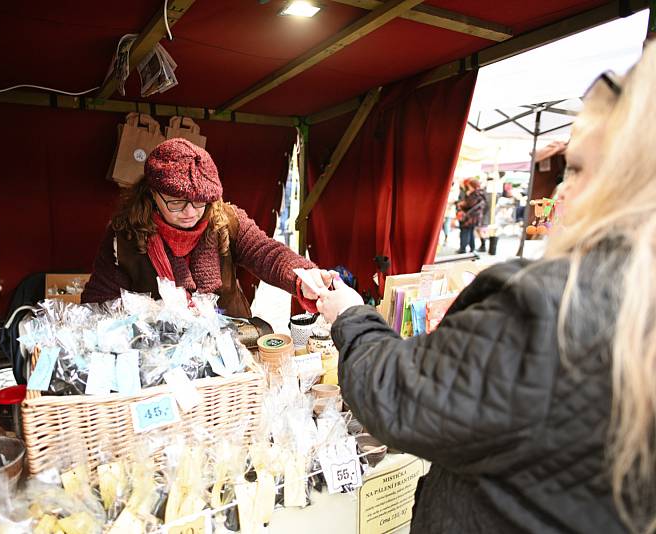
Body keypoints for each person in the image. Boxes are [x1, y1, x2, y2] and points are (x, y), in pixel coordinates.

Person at [315, 47, 656, 534]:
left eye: (577, 170)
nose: (559, 191)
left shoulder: (549, 307)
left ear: (630, 180)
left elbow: (398, 394)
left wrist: (350, 315)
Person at [82, 138, 333, 317]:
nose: (190, 212)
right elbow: (99, 303)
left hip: (230, 343)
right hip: (162, 355)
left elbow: (266, 253)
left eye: (200, 201)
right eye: (177, 202)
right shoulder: (124, 235)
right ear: (151, 194)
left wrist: (302, 276)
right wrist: (146, 318)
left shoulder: (226, 219)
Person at [456, 178, 485, 253]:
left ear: (473, 186)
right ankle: (472, 248)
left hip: (470, 216)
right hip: (474, 216)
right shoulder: (480, 193)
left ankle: (463, 248)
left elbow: (469, 204)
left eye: (469, 186)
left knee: (465, 231)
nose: (468, 187)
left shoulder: (475, 194)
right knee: (470, 232)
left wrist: (461, 204)